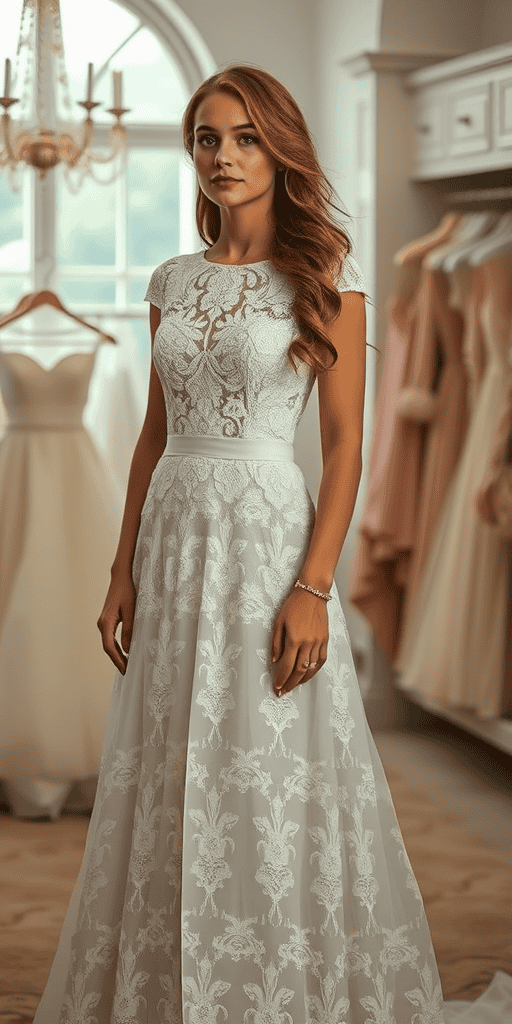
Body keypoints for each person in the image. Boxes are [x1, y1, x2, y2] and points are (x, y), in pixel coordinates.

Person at [33, 63, 449, 1024]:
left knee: (265, 757)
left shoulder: (323, 276)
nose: (223, 156)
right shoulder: (171, 280)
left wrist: (314, 586)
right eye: (208, 138)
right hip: (176, 536)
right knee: (174, 759)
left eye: (246, 137)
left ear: (281, 147)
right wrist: (121, 567)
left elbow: (347, 448)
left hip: (267, 540)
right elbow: (152, 430)